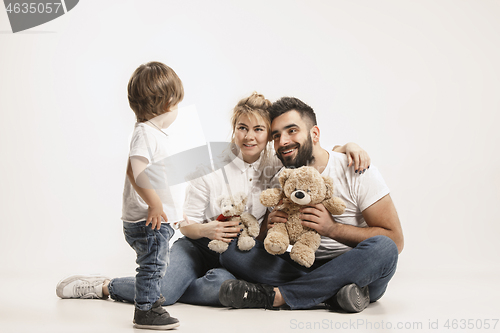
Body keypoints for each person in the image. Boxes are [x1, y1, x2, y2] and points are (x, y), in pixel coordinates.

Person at [56, 93, 370, 312]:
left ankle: (183, 286)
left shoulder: (276, 163)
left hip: (239, 255)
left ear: (268, 135)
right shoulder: (209, 157)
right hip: (197, 246)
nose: (249, 137)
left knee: (221, 288)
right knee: (164, 294)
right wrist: (208, 231)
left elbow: (312, 154)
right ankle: (105, 287)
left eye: (259, 129)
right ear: (233, 130)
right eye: (242, 128)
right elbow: (185, 223)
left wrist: (347, 146)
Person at [218, 97, 404, 313]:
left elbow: (396, 240)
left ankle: (278, 296)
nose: (283, 141)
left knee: (384, 249)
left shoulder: (355, 168)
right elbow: (265, 241)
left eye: (292, 131)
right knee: (232, 251)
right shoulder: (281, 177)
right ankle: (330, 293)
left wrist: (333, 229)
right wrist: (267, 226)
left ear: (314, 134)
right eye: (276, 136)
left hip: (357, 265)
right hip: (303, 263)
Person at [57, 61, 184, 330]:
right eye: (176, 103)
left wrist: (173, 209)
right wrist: (155, 203)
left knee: (157, 266)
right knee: (152, 266)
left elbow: (161, 178)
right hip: (148, 222)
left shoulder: (154, 134)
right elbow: (134, 170)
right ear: (165, 103)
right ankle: (146, 311)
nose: (177, 110)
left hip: (158, 220)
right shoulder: (145, 133)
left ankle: (151, 298)